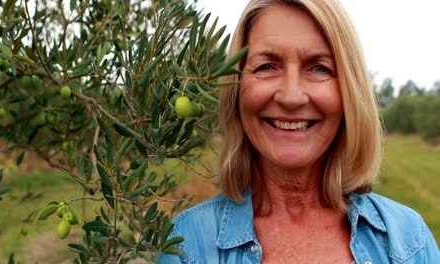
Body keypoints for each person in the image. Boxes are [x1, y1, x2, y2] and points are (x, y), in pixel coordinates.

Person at [157, 0, 440, 263]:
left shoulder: (409, 241)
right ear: (237, 89)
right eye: (266, 66)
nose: (291, 97)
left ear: (348, 93)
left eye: (319, 68)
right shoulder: (187, 246)